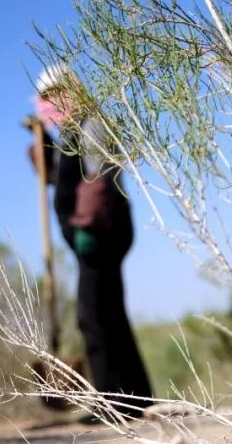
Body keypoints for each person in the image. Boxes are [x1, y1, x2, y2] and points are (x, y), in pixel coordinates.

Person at [29, 64, 153, 418]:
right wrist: (41, 148)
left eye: (53, 97)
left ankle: (112, 402)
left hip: (100, 233)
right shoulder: (69, 132)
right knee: (110, 313)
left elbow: (98, 176)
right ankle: (135, 398)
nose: (48, 105)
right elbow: (63, 179)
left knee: (93, 317)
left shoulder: (91, 124)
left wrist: (85, 226)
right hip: (93, 234)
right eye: (44, 99)